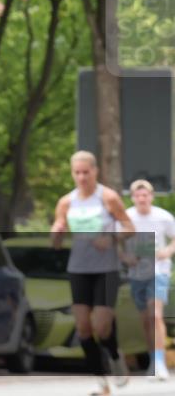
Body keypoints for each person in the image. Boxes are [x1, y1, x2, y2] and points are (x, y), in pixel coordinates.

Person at [51, 151, 135, 395]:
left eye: (86, 172)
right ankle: (101, 381)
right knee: (83, 329)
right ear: (72, 174)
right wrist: (56, 233)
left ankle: (115, 355)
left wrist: (111, 237)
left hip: (106, 269)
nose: (82, 177)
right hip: (78, 269)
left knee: (102, 326)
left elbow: (129, 227)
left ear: (95, 171)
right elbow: (57, 240)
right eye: (77, 173)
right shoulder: (66, 202)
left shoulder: (107, 198)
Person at [121, 179, 175, 380]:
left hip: (158, 270)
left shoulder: (163, 217)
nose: (142, 198)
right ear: (133, 197)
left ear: (151, 197)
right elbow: (116, 244)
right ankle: (154, 358)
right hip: (137, 273)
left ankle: (160, 363)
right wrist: (126, 258)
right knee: (146, 320)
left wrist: (167, 251)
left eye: (145, 195)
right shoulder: (126, 218)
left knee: (155, 314)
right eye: (138, 195)